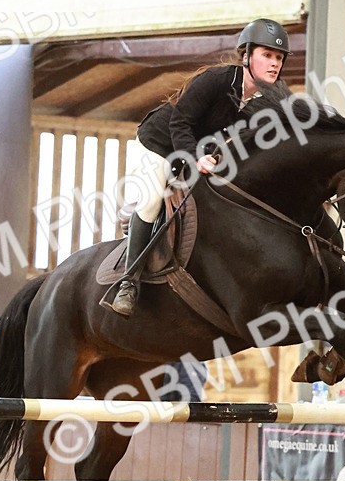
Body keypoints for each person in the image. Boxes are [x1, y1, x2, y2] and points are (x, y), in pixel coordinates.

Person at [105, 18, 291, 317]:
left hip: (200, 154)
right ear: (246, 56)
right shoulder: (216, 80)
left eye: (279, 58)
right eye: (267, 55)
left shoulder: (267, 100)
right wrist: (194, 157)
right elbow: (181, 122)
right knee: (153, 200)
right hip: (161, 142)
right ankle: (129, 282)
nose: (274, 64)